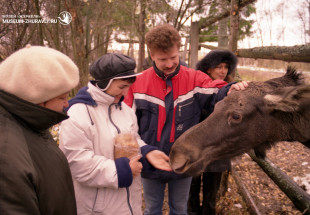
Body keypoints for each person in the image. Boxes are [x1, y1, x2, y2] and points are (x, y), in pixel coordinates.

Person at [124, 24, 248, 215]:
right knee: (152, 209)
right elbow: (126, 124)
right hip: (150, 161)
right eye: (162, 59)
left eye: (173, 57)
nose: (169, 64)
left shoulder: (194, 79)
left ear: (179, 49)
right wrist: (143, 152)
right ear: (152, 54)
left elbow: (215, 89)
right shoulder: (138, 83)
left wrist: (230, 89)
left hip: (184, 161)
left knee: (179, 209)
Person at [59, 53, 172, 215]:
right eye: (121, 87)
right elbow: (78, 163)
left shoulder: (125, 110)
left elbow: (133, 140)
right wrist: (122, 171)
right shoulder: (78, 114)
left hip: (129, 206)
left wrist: (147, 152)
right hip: (96, 209)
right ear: (104, 83)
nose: (126, 93)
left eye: (128, 87)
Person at [0, 45, 79, 214]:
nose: (67, 104)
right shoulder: (6, 155)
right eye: (62, 98)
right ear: (37, 98)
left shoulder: (31, 123)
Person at [187, 49, 238, 215]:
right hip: (195, 146)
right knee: (191, 190)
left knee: (211, 194)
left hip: (218, 148)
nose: (223, 71)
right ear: (208, 68)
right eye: (219, 67)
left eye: (226, 67)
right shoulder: (197, 87)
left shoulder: (232, 90)